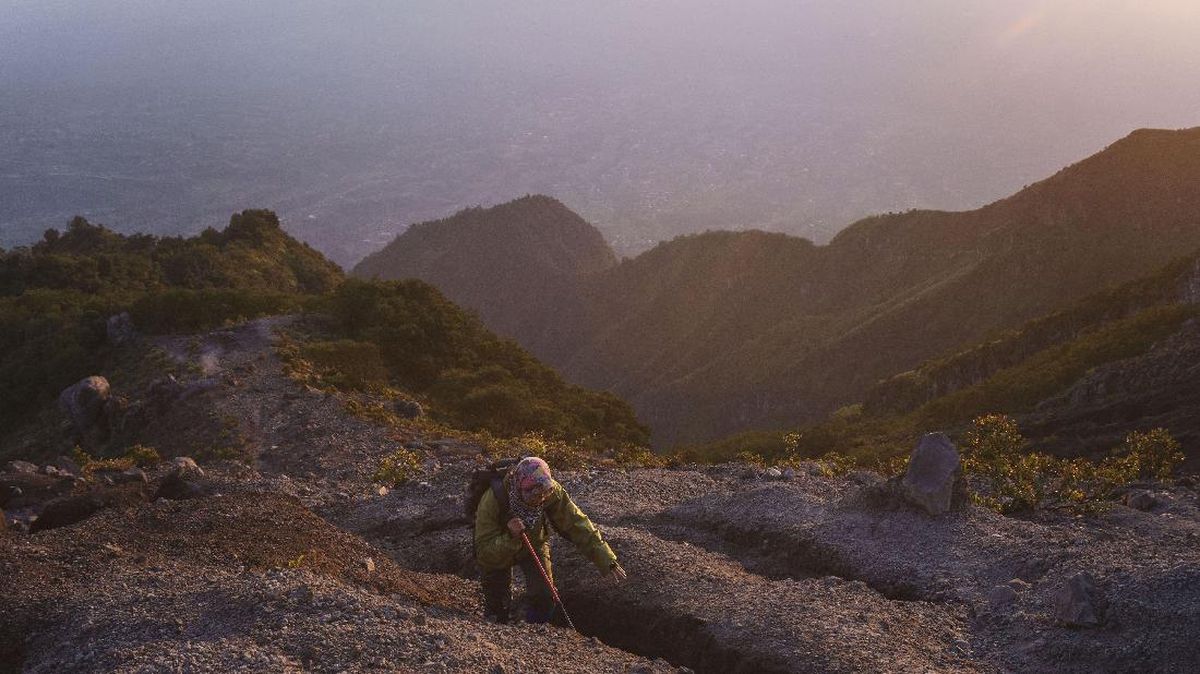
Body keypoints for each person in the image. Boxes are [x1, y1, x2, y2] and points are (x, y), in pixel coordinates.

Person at [473, 456, 626, 624]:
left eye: (544, 492)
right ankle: (499, 627)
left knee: (545, 598)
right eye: (531, 492)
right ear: (518, 485)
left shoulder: (550, 490)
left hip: (534, 543)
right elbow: (484, 553)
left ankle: (534, 632)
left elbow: (576, 523)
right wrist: (511, 537)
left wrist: (605, 558)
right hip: (499, 549)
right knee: (497, 609)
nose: (539, 498)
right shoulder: (492, 500)